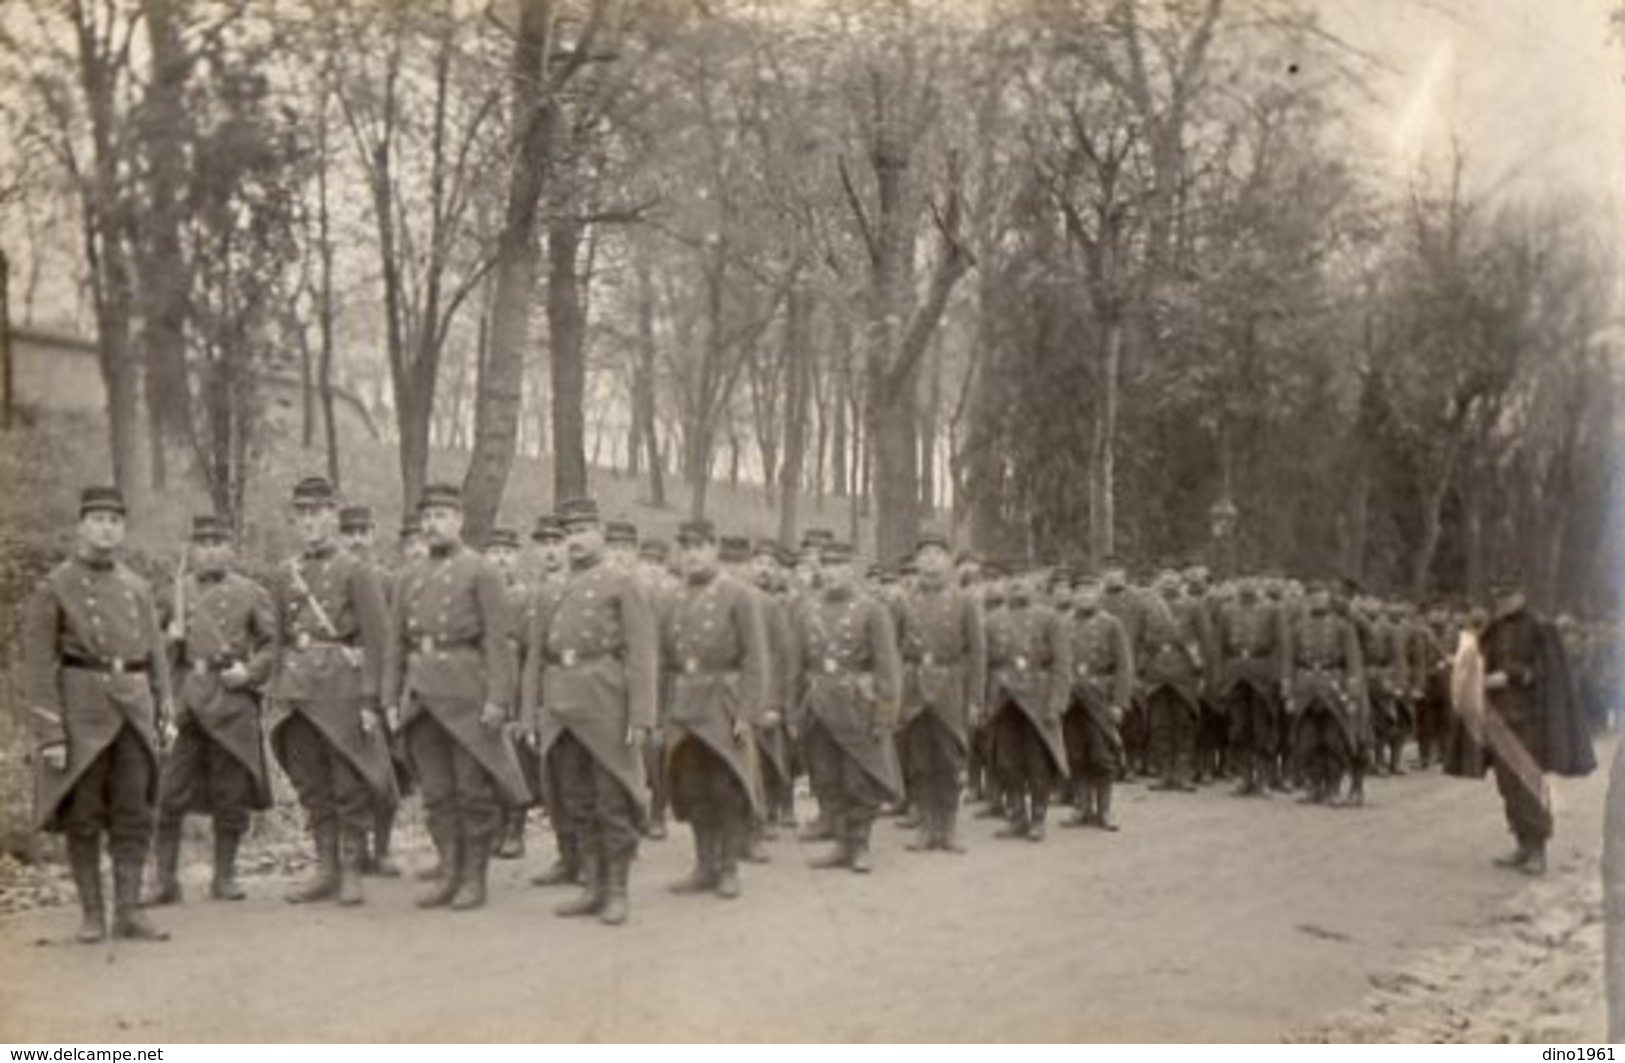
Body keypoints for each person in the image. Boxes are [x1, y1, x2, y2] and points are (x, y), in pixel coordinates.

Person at [26, 486, 173, 942]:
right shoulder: (56, 586)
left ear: (122, 528)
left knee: (135, 810)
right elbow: (36, 663)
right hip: (82, 712)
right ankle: (92, 915)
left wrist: (165, 708)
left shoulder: (136, 587)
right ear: (81, 525)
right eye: (98, 518)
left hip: (134, 709)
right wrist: (50, 732)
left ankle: (129, 911)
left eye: (114, 519)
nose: (106, 527)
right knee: (83, 814)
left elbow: (156, 654)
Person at [383, 486, 529, 910]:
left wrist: (499, 700)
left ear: (459, 520)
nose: (433, 524)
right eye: (427, 516)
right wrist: (391, 699)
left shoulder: (482, 571)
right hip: (421, 697)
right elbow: (395, 643)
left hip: (468, 696)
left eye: (442, 515)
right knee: (437, 793)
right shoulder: (408, 576)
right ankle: (449, 872)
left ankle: (474, 879)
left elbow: (498, 643)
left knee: (472, 792)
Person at [522, 498, 658, 926]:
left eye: (583, 531)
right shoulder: (549, 590)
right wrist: (530, 715)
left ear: (600, 532)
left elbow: (641, 654)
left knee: (610, 801)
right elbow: (534, 659)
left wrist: (641, 716)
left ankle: (617, 890)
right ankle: (592, 885)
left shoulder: (622, 583)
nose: (575, 542)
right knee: (576, 801)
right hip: (561, 706)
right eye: (568, 534)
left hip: (605, 705)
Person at [266, 476, 396, 906]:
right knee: (311, 782)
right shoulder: (285, 574)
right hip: (298, 692)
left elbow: (377, 641)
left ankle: (353, 870)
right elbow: (279, 640)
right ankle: (325, 869)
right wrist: (276, 690)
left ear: (332, 515)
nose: (309, 522)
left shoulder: (356, 570)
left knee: (348, 782)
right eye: (301, 514)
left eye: (317, 513)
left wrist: (371, 701)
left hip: (342, 691)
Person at [145, 515, 275, 906]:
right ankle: (165, 881)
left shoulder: (252, 594)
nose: (211, 549)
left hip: (233, 705)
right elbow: (150, 649)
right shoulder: (174, 593)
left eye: (218, 541)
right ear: (192, 548)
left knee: (229, 794)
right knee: (168, 794)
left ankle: (225, 876)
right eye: (202, 542)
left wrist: (250, 672)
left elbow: (273, 645)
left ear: (231, 548)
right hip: (187, 704)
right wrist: (170, 641)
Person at [1445, 572, 1595, 875]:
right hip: (1497, 717)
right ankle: (1522, 843)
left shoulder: (1542, 629)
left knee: (1528, 783)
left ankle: (1538, 849)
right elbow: (1476, 659)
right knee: (1507, 784)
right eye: (1498, 596)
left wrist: (1512, 675)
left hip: (1530, 720)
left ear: (1521, 596)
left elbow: (1549, 672)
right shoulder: (1493, 629)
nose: (1501, 601)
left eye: (1507, 595)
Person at [661, 521, 769, 898]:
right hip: (684, 703)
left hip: (723, 702)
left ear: (714, 549)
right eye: (686, 547)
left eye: (700, 546)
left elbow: (756, 657)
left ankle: (728, 868)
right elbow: (662, 660)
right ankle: (703, 865)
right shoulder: (671, 596)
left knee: (726, 787)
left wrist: (748, 712)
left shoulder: (738, 595)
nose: (692, 554)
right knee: (692, 788)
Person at [787, 541, 902, 872]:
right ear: (820, 569)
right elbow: (795, 666)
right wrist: (793, 709)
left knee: (858, 779)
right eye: (827, 565)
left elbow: (888, 666)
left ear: (851, 569)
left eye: (840, 565)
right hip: (818, 707)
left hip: (857, 709)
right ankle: (840, 842)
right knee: (825, 777)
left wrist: (885, 713)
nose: (833, 572)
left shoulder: (872, 610)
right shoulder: (805, 610)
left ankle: (860, 844)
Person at [895, 531, 986, 852]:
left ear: (948, 560)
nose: (930, 559)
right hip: (914, 686)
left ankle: (948, 827)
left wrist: (975, 699)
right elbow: (892, 649)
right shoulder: (903, 599)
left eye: (937, 553)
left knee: (949, 760)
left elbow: (977, 652)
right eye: (925, 553)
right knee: (918, 760)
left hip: (950, 687)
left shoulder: (964, 601)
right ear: (917, 561)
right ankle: (926, 827)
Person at [338, 503, 405, 879]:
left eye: (363, 532)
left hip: (381, 686)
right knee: (348, 771)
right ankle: (355, 850)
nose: (357, 540)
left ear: (374, 534)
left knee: (385, 770)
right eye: (350, 533)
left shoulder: (388, 580)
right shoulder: (333, 577)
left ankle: (382, 848)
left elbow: (398, 634)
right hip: (341, 686)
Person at [984, 569, 1072, 840]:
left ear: (1034, 586)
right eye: (1013, 582)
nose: (1018, 586)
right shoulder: (992, 620)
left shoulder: (1050, 618)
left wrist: (1057, 702)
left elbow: (1062, 663)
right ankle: (1017, 817)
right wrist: (985, 701)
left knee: (1037, 763)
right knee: (1008, 763)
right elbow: (985, 664)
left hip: (1038, 701)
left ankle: (1038, 818)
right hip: (1005, 700)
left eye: (1023, 582)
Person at [1283, 580, 1365, 806]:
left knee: (1333, 741)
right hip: (1305, 688)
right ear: (1307, 600)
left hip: (1333, 688)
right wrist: (1288, 693)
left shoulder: (1343, 627)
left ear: (1328, 598)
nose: (1317, 599)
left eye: (1321, 595)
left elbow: (1353, 662)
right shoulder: (1297, 627)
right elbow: (1288, 662)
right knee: (1307, 742)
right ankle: (1314, 787)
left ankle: (1334, 787)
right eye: (1312, 596)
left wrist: (1353, 694)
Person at [484, 526, 537, 861]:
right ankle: (495, 824)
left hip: (514, 677)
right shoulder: (479, 593)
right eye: (494, 552)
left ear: (516, 558)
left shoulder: (525, 596)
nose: (501, 559)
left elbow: (532, 648)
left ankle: (516, 824)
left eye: (507, 552)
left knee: (514, 756)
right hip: (482, 678)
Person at [1062, 578, 1133, 830]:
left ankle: (1104, 811)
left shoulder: (1112, 624)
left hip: (1100, 698)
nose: (1084, 597)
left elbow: (1124, 666)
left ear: (1098, 595)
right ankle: (1082, 807)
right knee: (1075, 754)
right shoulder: (1064, 623)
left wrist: (1119, 702)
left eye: (1089, 592)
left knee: (1101, 755)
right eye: (1079, 592)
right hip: (1071, 700)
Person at [1214, 576, 1283, 796]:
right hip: (1235, 674)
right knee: (1238, 728)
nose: (1246, 586)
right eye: (1242, 582)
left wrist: (1277, 676)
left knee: (1262, 727)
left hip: (1261, 672)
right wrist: (1220, 676)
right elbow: (1219, 646)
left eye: (1251, 582)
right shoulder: (1226, 610)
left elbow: (1280, 644)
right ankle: (1243, 776)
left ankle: (1263, 778)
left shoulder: (1271, 609)